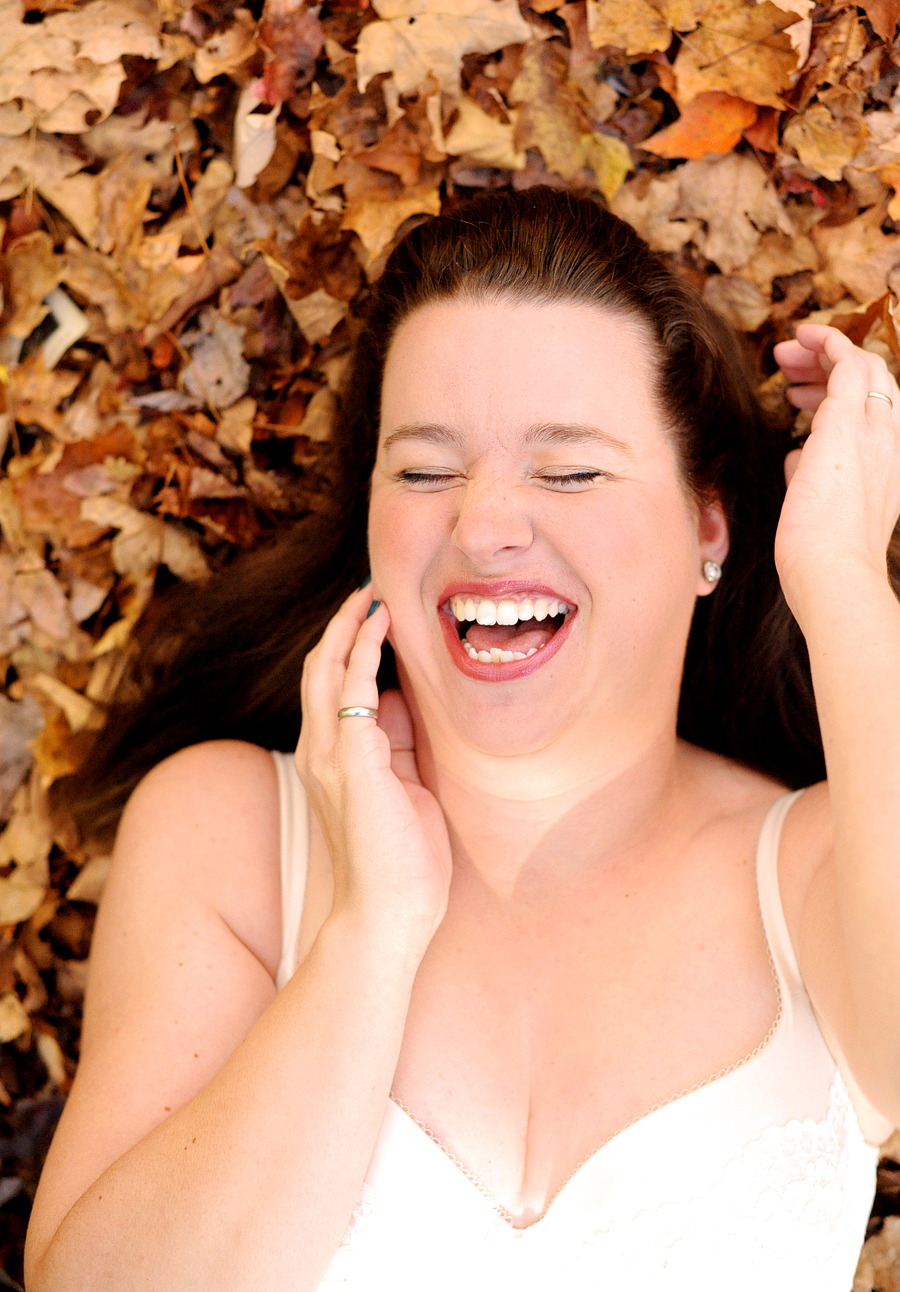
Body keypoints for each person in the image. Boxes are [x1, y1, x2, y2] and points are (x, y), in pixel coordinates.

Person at [22, 188, 900, 1290]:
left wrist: (842, 580)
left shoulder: (818, 871)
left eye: (573, 469)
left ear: (708, 528)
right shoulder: (234, 834)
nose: (484, 525)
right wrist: (370, 935)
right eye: (428, 470)